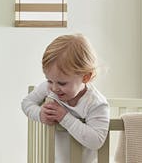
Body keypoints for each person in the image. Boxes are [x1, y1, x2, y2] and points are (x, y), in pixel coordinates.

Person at [21, 34, 109, 163]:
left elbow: (96, 141)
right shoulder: (48, 88)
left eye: (62, 83)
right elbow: (27, 103)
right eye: (49, 80)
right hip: (51, 158)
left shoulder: (96, 104)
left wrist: (64, 117)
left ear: (85, 77)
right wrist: (40, 114)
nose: (54, 88)